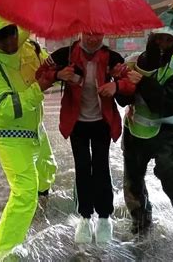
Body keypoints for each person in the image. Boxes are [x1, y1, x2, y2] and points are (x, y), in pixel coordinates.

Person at [36, 33, 135, 244]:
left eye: (97, 33)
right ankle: (85, 217)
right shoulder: (66, 55)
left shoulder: (112, 57)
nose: (92, 38)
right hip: (77, 123)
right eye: (88, 33)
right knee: (82, 167)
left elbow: (131, 81)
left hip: (102, 122)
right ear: (81, 31)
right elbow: (40, 74)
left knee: (101, 167)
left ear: (104, 33)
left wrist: (116, 86)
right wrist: (58, 75)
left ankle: (105, 217)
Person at [0, 8, 57, 259]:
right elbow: (5, 109)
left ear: (17, 29)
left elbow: (47, 66)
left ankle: (43, 198)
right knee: (24, 193)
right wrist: (40, 87)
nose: (9, 41)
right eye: (0, 37)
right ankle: (1, 254)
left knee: (47, 167)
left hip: (35, 126)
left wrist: (57, 72)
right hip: (9, 136)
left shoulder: (31, 48)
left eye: (11, 33)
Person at [116, 7, 173, 237]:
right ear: (151, 38)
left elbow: (168, 103)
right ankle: (141, 219)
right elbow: (123, 100)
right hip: (135, 131)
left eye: (168, 40)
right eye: (158, 38)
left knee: (168, 174)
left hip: (167, 133)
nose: (162, 44)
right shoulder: (135, 61)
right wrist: (122, 82)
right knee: (133, 180)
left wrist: (142, 82)